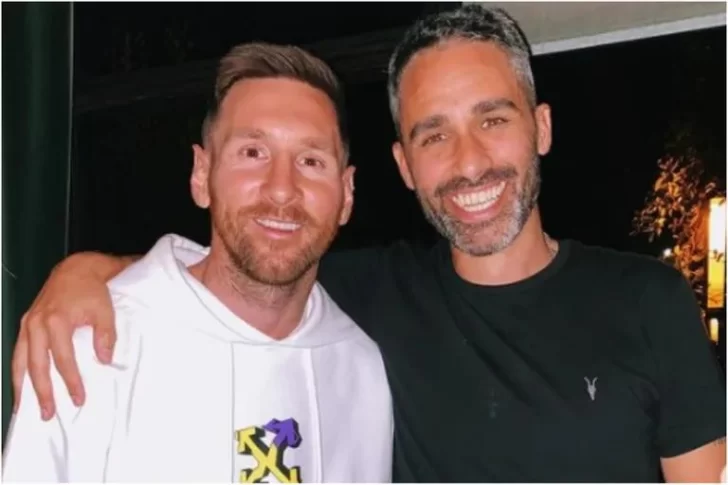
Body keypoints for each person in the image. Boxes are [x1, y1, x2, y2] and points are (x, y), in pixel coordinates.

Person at [10, 5, 726, 482]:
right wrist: (89, 275)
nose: (470, 162)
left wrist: (84, 269)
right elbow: (246, 269)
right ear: (404, 165)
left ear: (540, 127)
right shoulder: (374, 301)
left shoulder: (649, 301)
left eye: (493, 119)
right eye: (433, 135)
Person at [2, 42, 394, 483]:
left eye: (310, 160)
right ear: (202, 175)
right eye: (253, 153)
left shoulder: (362, 369)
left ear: (347, 195)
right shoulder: (89, 347)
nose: (281, 189)